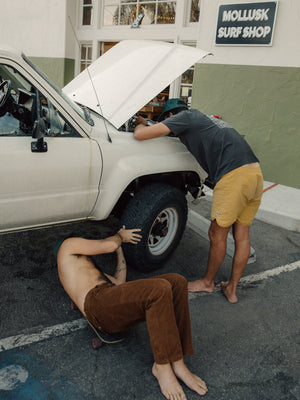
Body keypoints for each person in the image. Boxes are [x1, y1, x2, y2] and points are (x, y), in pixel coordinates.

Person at [134, 98, 263, 304]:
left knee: (216, 235)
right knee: (242, 237)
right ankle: (232, 289)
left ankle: (207, 282)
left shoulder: (182, 118)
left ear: (170, 116)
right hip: (255, 174)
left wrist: (140, 121)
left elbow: (140, 135)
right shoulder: (203, 119)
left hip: (234, 178)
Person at [55, 226, 208, 399]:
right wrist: (120, 237)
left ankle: (178, 363)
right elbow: (109, 245)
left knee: (177, 282)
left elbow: (120, 282)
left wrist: (120, 251)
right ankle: (162, 366)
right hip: (97, 305)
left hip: (107, 300)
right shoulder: (67, 245)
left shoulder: (86, 269)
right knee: (158, 290)